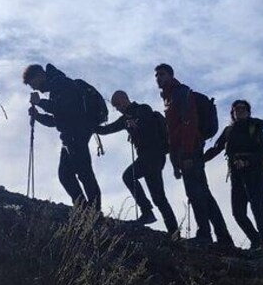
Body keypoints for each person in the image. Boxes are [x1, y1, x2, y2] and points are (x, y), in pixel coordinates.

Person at [155, 64, 233, 246]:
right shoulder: (169, 97)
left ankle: (205, 234)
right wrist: (175, 161)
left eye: (162, 74)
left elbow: (188, 123)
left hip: (190, 148)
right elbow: (174, 131)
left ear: (171, 75)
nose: (159, 78)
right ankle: (223, 236)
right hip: (185, 149)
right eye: (157, 75)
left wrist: (188, 154)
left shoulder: (180, 93)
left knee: (195, 192)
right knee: (203, 192)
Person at [96, 90, 178, 234]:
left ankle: (147, 212)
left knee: (129, 176)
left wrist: (134, 122)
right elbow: (107, 130)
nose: (118, 108)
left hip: (153, 155)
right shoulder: (125, 119)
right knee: (158, 196)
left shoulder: (143, 109)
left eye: (118, 104)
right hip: (150, 158)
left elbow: (145, 120)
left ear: (125, 98)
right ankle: (173, 231)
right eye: (115, 106)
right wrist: (91, 126)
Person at [23, 64, 102, 211]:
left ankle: (91, 212)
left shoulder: (61, 83)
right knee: (70, 174)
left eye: (33, 84)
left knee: (81, 173)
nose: (35, 89)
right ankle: (86, 209)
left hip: (76, 133)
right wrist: (38, 116)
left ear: (39, 75)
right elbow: (58, 119)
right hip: (73, 134)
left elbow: (62, 108)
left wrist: (40, 102)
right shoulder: (58, 85)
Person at [204, 100, 263, 253]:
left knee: (258, 210)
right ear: (233, 113)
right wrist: (200, 159)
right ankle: (256, 241)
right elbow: (216, 148)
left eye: (242, 108)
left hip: (255, 175)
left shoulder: (255, 128)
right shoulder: (229, 131)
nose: (239, 111)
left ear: (248, 111)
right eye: (236, 109)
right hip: (236, 175)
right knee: (238, 213)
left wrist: (247, 162)